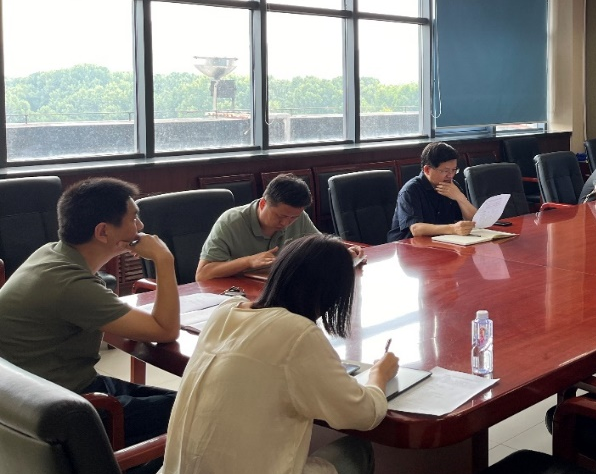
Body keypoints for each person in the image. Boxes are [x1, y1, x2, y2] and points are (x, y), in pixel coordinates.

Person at [163, 234, 398, 474]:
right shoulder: (298, 333)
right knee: (359, 449)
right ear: (333, 294)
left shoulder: (224, 312)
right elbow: (362, 415)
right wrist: (379, 375)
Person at [0, 177, 180, 452]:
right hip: (61, 409)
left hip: (29, 397)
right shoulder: (70, 285)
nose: (141, 227)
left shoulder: (50, 253)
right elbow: (166, 330)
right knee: (194, 412)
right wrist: (164, 260)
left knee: (187, 399)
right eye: (134, 218)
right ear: (103, 232)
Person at [196, 173, 321, 281]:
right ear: (263, 204)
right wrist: (249, 261)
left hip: (278, 288)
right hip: (239, 292)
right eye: (280, 216)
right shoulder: (231, 221)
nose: (285, 223)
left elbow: (321, 249)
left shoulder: (299, 216)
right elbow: (202, 274)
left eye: (293, 218)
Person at [387, 142, 478, 241]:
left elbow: (475, 221)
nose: (451, 175)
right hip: (407, 244)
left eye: (454, 170)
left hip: (442, 241)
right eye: (445, 171)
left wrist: (460, 197)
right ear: (427, 170)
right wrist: (453, 229)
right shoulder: (411, 190)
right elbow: (416, 229)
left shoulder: (453, 186)